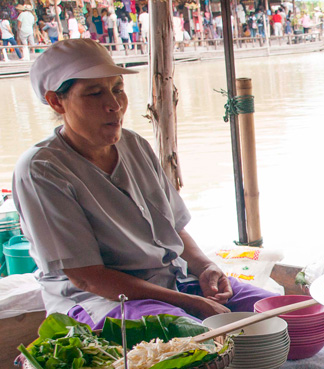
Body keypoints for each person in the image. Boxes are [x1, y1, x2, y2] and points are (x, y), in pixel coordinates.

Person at [11, 39, 276, 330]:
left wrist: (204, 266)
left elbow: (173, 226)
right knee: (203, 339)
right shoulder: (41, 170)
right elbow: (88, 277)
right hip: (102, 302)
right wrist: (190, 303)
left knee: (278, 315)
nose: (113, 104)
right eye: (95, 93)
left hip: (174, 282)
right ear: (56, 101)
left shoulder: (134, 145)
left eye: (117, 89)